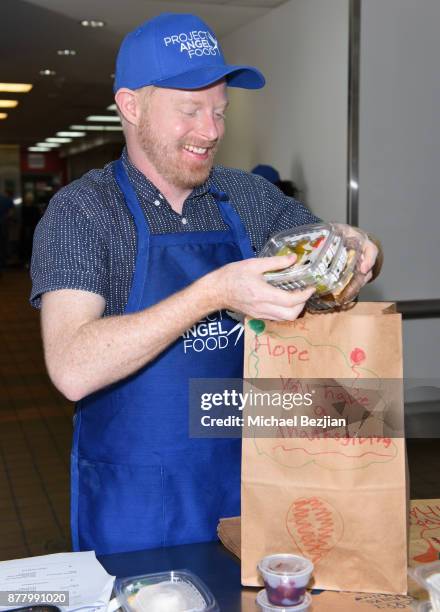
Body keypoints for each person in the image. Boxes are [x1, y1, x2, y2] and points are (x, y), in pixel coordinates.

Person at [30, 13, 379, 555]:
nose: (212, 130)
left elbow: (330, 287)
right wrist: (213, 293)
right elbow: (72, 367)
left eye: (220, 111)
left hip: (258, 488)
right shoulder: (83, 212)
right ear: (131, 106)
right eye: (190, 110)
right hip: (138, 511)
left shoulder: (250, 199)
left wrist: (354, 256)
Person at [0, 189, 14, 273]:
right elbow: (11, 213)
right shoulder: (8, 200)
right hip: (3, 224)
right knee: (3, 244)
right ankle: (2, 265)